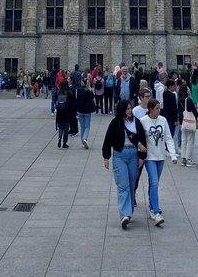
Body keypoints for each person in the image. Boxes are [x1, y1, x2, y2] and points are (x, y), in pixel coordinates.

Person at [101, 98, 147, 228]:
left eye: (130, 108)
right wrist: (106, 157)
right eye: (127, 109)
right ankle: (124, 214)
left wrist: (142, 157)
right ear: (122, 110)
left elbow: (143, 140)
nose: (130, 111)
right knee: (123, 185)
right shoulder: (115, 123)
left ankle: (129, 211)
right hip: (120, 155)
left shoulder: (137, 123)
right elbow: (108, 140)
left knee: (132, 183)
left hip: (133, 155)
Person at [138, 98, 177, 225]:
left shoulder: (163, 120)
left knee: (154, 182)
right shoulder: (143, 121)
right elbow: (139, 139)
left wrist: (173, 155)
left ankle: (151, 205)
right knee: (154, 182)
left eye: (160, 108)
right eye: (157, 108)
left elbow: (168, 138)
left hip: (161, 157)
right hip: (149, 157)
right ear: (150, 109)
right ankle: (156, 211)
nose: (159, 111)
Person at [54, 79, 76, 147]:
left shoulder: (58, 92)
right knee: (66, 128)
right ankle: (64, 143)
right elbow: (73, 104)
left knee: (60, 127)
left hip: (60, 112)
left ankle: (59, 138)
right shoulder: (69, 93)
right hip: (67, 113)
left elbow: (55, 102)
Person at [75, 77, 96, 148]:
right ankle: (84, 138)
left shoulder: (79, 90)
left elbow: (77, 100)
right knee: (87, 126)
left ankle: (82, 141)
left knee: (82, 126)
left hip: (80, 110)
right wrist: (90, 88)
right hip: (87, 110)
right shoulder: (88, 90)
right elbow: (92, 97)